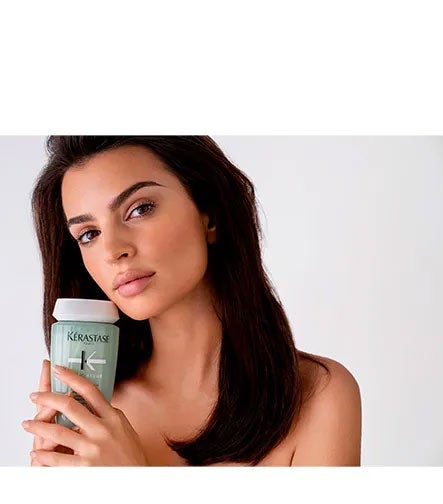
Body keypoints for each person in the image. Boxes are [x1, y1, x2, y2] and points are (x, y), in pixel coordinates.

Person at [24, 136, 362, 466]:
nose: (113, 250)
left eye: (139, 209)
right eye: (89, 234)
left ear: (209, 215)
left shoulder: (318, 396)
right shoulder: (87, 413)